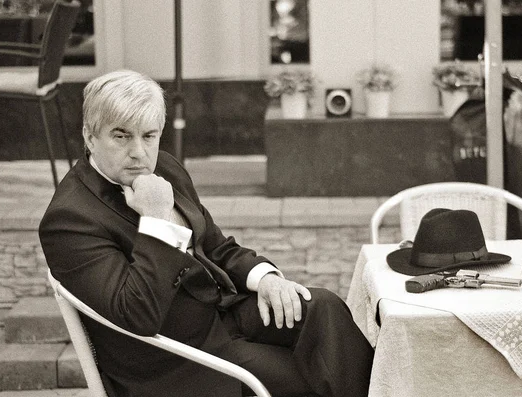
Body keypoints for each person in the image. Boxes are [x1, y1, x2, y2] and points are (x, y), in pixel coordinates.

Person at [39, 70, 374, 397]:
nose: (139, 153)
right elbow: (136, 315)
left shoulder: (166, 167)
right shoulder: (70, 220)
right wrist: (157, 220)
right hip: (175, 358)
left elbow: (215, 246)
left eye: (149, 135)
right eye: (121, 136)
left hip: (222, 314)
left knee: (324, 308)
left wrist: (267, 279)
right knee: (312, 375)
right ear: (88, 136)